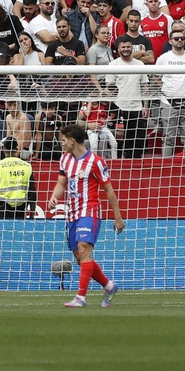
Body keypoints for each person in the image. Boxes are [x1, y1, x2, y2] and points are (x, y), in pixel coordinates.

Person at [46, 122, 124, 309]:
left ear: (72, 141)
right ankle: (109, 286)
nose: (61, 143)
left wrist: (118, 217)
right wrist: (53, 196)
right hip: (71, 212)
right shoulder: (65, 159)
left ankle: (80, 298)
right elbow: (60, 183)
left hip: (90, 210)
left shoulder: (96, 162)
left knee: (83, 249)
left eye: (63, 140)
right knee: (80, 257)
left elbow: (109, 190)